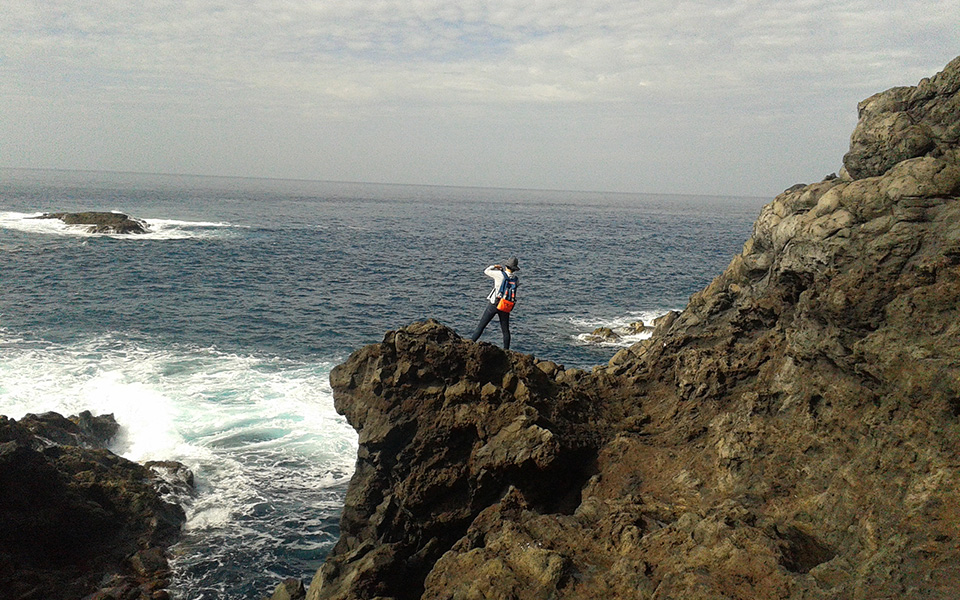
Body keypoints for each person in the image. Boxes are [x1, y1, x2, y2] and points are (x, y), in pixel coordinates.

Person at [470, 257, 520, 349]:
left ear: (507, 266)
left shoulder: (499, 274)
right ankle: (506, 350)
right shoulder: (516, 279)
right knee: (505, 331)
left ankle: (470, 344)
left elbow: (486, 271)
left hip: (494, 304)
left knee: (481, 326)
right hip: (505, 306)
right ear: (515, 269)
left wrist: (495, 266)